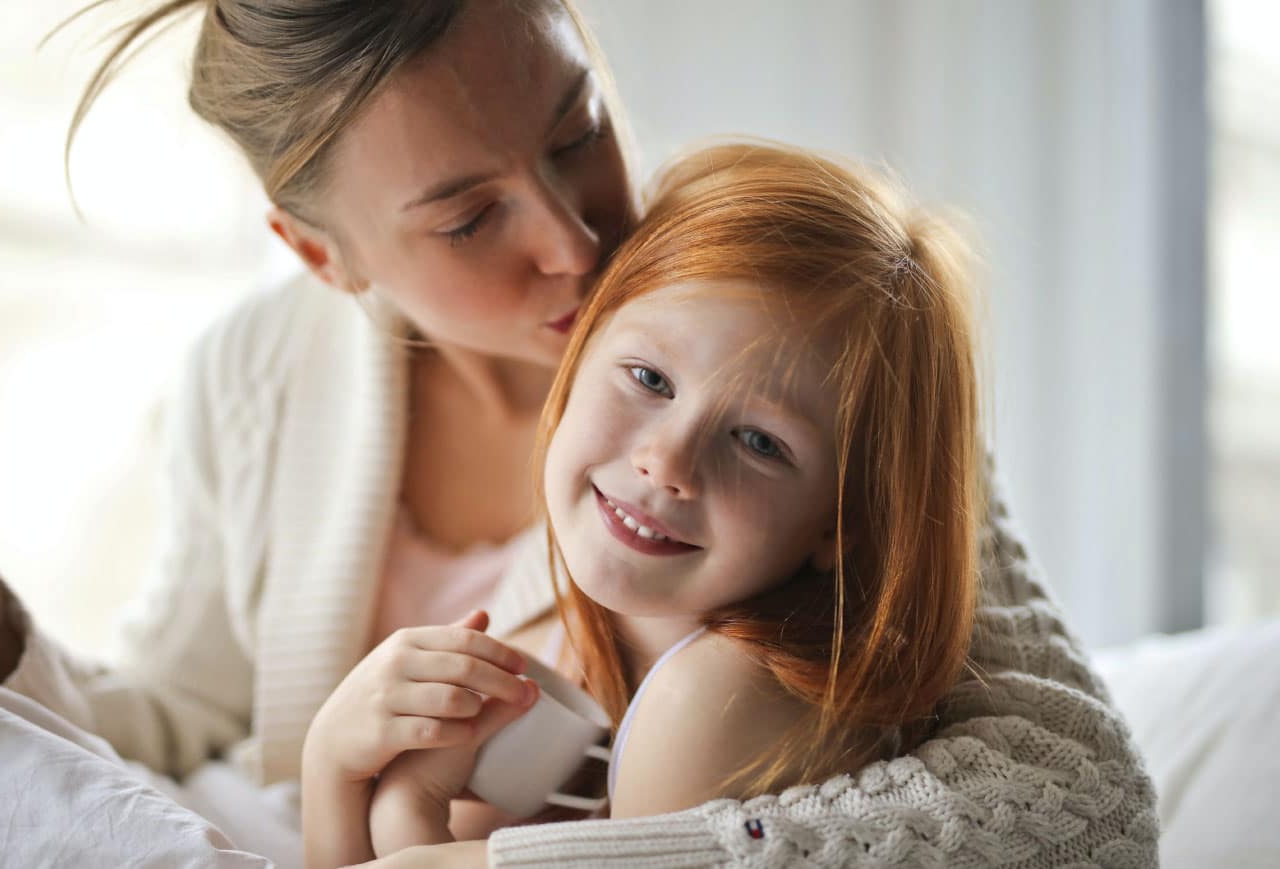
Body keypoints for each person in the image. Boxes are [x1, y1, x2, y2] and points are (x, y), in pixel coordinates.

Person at [0, 0, 1157, 866]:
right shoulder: (256, 375)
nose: (577, 241)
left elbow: (1080, 792)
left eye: (576, 128)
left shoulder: (781, 320)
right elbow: (176, 724)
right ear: (320, 254)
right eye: (468, 216)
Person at [305, 140, 987, 865]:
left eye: (760, 441)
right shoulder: (572, 641)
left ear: (840, 522)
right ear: (577, 354)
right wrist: (336, 768)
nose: (666, 463)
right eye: (649, 378)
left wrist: (396, 802)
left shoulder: (721, 700)